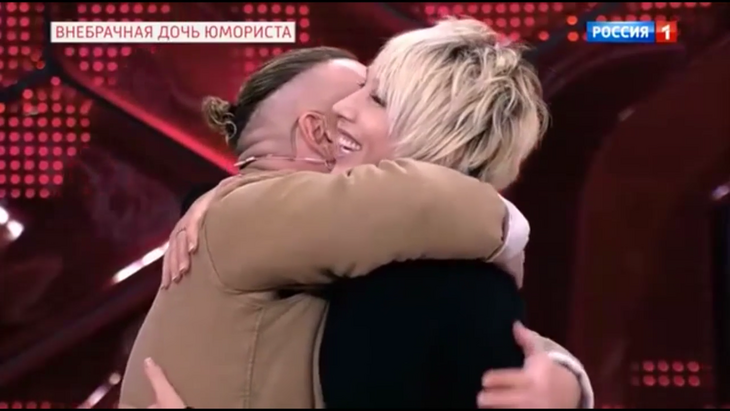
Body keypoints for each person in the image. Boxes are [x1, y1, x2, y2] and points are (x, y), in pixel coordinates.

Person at [122, 22, 591, 409]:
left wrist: (566, 381)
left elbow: (490, 342)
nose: (341, 110)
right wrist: (506, 228)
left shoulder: (424, 284)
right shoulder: (271, 227)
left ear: (431, 134)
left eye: (375, 97)